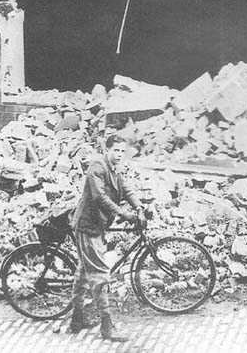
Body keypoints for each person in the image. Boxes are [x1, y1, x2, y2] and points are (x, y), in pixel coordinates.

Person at [70, 135, 146, 341]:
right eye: (116, 151)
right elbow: (99, 197)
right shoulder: (97, 167)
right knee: (100, 275)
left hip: (98, 225)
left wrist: (138, 206)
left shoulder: (115, 168)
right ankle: (107, 325)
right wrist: (125, 214)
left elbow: (126, 188)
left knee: (84, 272)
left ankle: (76, 319)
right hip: (88, 226)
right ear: (107, 149)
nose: (120, 154)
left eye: (123, 151)